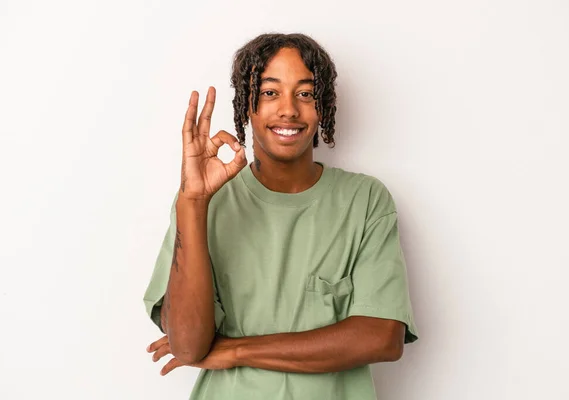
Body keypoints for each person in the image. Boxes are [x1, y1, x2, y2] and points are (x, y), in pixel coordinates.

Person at [143, 32, 418, 400]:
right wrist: (192, 202)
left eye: (305, 93)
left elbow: (382, 337)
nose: (288, 109)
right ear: (247, 106)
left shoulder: (365, 200)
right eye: (271, 92)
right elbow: (189, 347)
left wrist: (238, 350)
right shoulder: (205, 202)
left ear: (323, 106)